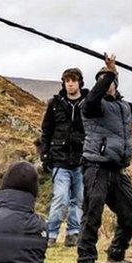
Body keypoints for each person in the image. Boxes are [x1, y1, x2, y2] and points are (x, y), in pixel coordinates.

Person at [76, 54, 132, 263]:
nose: (106, 82)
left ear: (116, 84)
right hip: (96, 168)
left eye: (110, 79)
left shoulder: (124, 107)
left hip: (118, 171)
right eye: (102, 80)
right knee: (92, 215)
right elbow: (94, 96)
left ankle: (116, 254)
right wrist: (110, 72)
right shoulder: (91, 105)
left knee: (129, 215)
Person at [39, 68, 87, 247]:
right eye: (67, 81)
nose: (70, 84)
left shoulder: (87, 103)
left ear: (79, 82)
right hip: (59, 160)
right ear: (64, 83)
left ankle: (73, 234)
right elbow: (46, 130)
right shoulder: (55, 104)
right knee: (60, 198)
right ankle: (50, 235)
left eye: (73, 80)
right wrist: (45, 155)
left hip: (81, 161)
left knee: (78, 199)